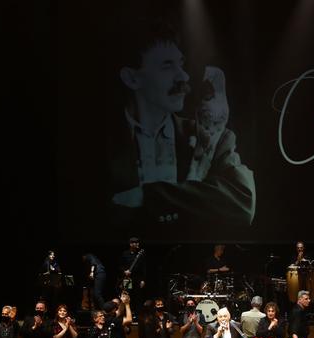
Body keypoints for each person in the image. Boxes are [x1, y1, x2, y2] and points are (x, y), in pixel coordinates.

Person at [106, 18, 255, 230]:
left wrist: (147, 196)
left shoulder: (212, 137)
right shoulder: (98, 144)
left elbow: (242, 204)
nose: (183, 76)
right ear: (131, 78)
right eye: (167, 66)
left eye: (181, 64)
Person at [118, 237, 146, 309]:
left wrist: (142, 280)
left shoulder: (140, 254)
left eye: (138, 242)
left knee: (138, 296)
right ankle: (128, 312)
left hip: (137, 278)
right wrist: (124, 271)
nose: (137, 244)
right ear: (131, 244)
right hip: (127, 278)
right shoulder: (125, 254)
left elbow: (143, 267)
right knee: (127, 295)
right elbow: (120, 265)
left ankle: (137, 313)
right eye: (135, 242)